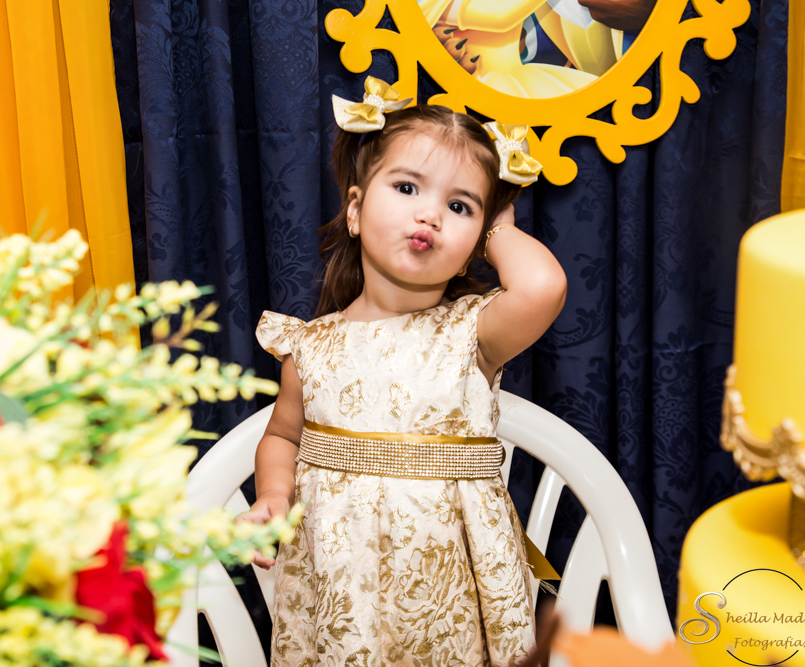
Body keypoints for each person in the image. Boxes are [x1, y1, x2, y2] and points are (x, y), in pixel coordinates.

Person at [241, 77, 568, 666]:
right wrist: (272, 495)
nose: (430, 214)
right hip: (342, 592)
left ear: (476, 244)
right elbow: (284, 437)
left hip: (454, 601)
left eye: (460, 206)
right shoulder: (310, 347)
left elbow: (543, 286)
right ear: (356, 210)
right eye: (408, 187)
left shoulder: (472, 334)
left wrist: (499, 226)